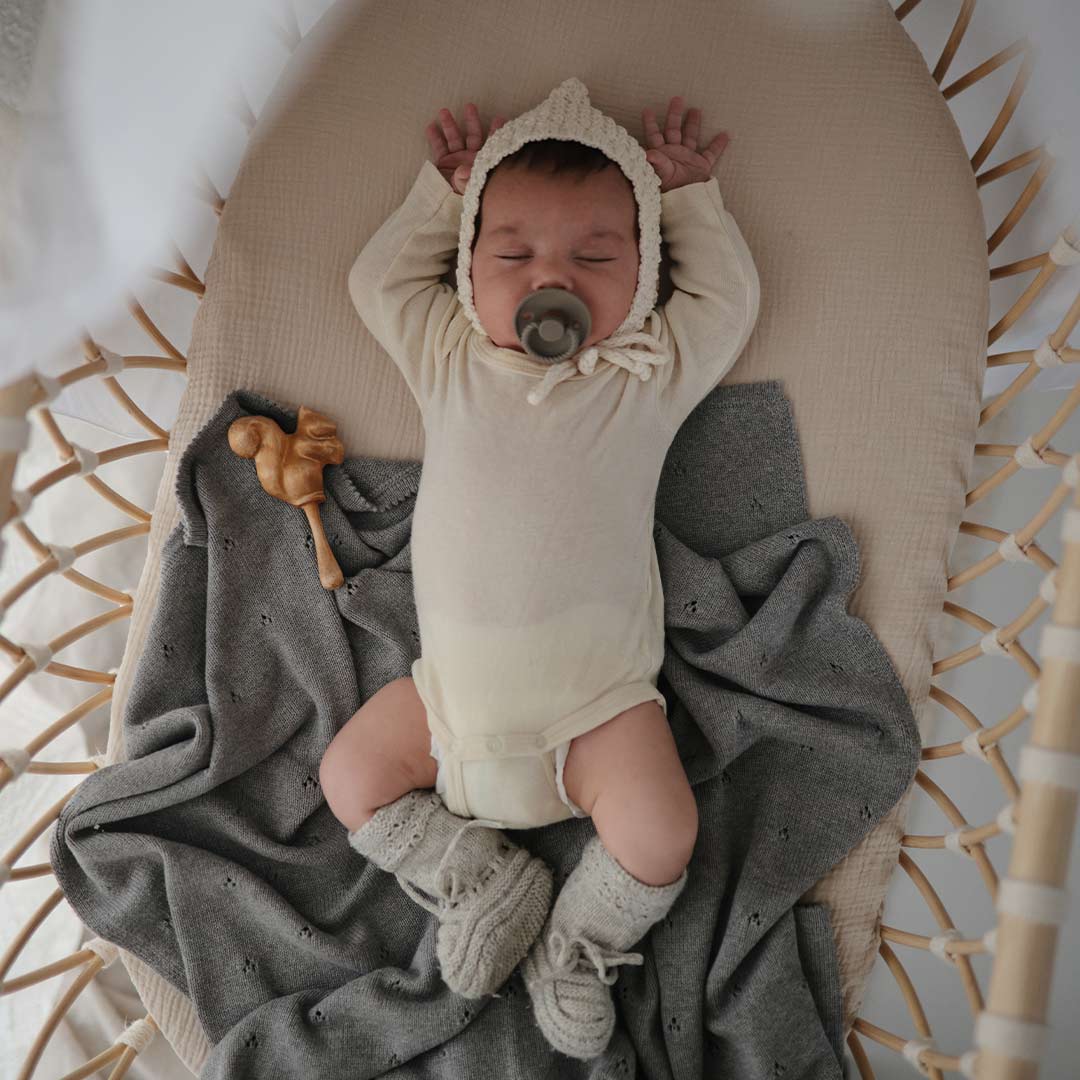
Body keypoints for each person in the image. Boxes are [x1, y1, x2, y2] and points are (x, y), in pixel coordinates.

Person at [320, 77, 760, 1060]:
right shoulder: (450, 357)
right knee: (350, 775)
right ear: (468, 271)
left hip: (596, 712)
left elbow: (726, 304)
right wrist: (441, 198)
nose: (548, 276)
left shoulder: (644, 373)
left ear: (642, 276)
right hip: (448, 708)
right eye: (512, 254)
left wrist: (692, 201)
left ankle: (577, 945)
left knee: (661, 830)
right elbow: (378, 285)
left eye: (595, 257)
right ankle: (481, 878)